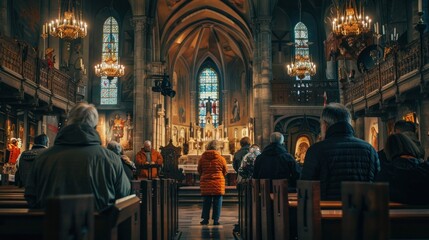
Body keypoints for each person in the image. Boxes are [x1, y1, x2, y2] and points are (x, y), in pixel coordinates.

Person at [24, 102, 131, 211]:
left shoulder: (43, 158)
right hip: (98, 226)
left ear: (68, 122)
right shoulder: (111, 159)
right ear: (95, 126)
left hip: (51, 226)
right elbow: (124, 195)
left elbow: (31, 195)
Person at [301, 103, 380, 200]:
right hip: (361, 213)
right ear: (349, 123)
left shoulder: (316, 150)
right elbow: (377, 185)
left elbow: (305, 188)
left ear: (325, 125)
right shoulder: (370, 150)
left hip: (325, 211)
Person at [376, 133, 429, 204]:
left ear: (388, 151)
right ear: (411, 146)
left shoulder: (386, 172)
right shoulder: (425, 169)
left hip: (396, 212)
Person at [197, 140, 227, 225]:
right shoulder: (221, 159)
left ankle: (205, 219)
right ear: (217, 148)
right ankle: (216, 220)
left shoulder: (202, 158)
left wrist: (204, 174)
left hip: (206, 182)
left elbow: (199, 170)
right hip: (218, 182)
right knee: (218, 201)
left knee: (206, 201)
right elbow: (225, 170)